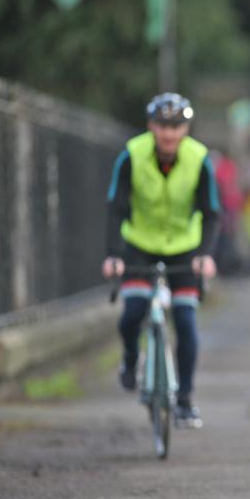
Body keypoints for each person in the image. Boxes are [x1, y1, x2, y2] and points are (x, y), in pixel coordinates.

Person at [102, 93, 219, 428]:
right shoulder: (132, 155)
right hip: (139, 246)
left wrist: (205, 255)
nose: (169, 133)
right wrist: (113, 255)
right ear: (151, 126)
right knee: (132, 313)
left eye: (176, 126)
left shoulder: (199, 158)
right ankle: (130, 358)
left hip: (185, 248)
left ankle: (185, 400)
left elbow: (211, 212)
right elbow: (116, 207)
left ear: (186, 129)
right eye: (163, 125)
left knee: (185, 320)